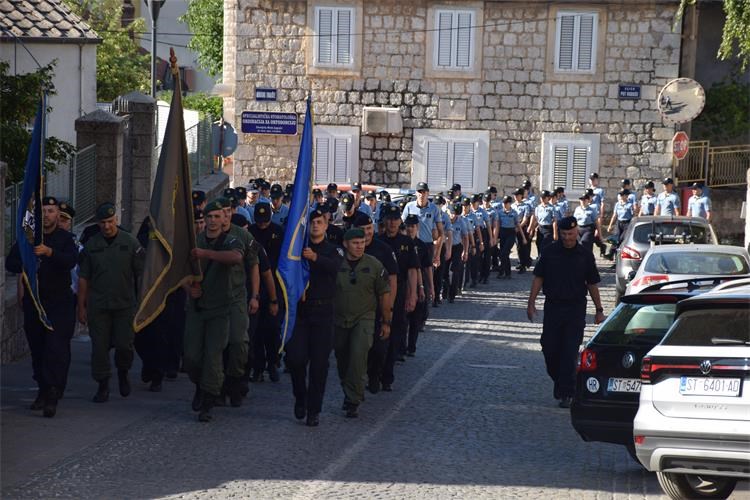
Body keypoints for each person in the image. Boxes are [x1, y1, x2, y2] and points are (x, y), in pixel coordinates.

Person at [6, 196, 78, 417]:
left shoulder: (65, 239)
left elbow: (71, 260)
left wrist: (50, 253)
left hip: (59, 304)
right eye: (43, 211)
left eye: (51, 211)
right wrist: (27, 259)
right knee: (38, 350)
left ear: (58, 215)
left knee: (56, 349)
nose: (47, 215)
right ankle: (43, 389)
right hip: (35, 303)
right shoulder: (28, 238)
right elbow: (11, 263)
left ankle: (54, 393)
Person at [527, 216, 605, 408]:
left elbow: (592, 283)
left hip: (575, 309)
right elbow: (538, 277)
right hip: (553, 307)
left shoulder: (585, 255)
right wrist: (531, 302)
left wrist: (599, 309)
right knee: (549, 349)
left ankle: (567, 393)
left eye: (571, 234)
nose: (568, 238)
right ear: (559, 233)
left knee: (569, 352)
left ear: (577, 231)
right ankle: (561, 382)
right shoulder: (550, 252)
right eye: (564, 234)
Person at [184, 200, 244, 422]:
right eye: (210, 217)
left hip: (221, 308)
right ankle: (200, 385)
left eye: (218, 217)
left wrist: (206, 254)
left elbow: (236, 257)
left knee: (213, 356)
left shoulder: (231, 240)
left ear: (224, 218)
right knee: (191, 357)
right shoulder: (194, 242)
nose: (213, 221)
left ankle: (208, 400)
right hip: (197, 308)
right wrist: (189, 288)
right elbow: (181, 269)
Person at [78, 202, 144, 403]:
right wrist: (81, 306)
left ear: (116, 219)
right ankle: (103, 384)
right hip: (98, 306)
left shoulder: (130, 243)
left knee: (125, 345)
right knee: (99, 347)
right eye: (102, 223)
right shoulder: (92, 245)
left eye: (110, 221)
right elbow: (83, 278)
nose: (106, 226)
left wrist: (142, 302)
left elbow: (141, 274)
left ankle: (123, 373)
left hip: (124, 305)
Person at [284, 208, 343, 427]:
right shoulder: (297, 249)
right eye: (312, 223)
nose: (315, 226)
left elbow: (337, 268)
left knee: (319, 365)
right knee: (295, 359)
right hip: (301, 312)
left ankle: (313, 410)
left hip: (324, 312)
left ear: (326, 225)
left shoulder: (332, 250)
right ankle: (300, 395)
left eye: (319, 222)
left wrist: (315, 258)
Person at [334, 228, 391, 418]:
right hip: (339, 318)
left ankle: (353, 400)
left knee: (358, 357)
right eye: (355, 243)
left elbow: (384, 294)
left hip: (364, 317)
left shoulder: (374, 265)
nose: (359, 246)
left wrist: (386, 321)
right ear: (345, 244)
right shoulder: (336, 263)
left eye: (362, 242)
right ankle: (349, 390)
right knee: (342, 359)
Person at [217, 197, 259, 407]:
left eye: (226, 211)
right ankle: (216, 388)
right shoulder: (207, 235)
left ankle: (235, 382)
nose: (223, 216)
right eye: (218, 213)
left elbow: (254, 266)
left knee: (238, 344)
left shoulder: (242, 235)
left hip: (236, 298)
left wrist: (255, 296)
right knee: (216, 347)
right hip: (213, 300)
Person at [375, 205, 419, 387]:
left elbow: (412, 271)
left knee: (395, 333)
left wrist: (413, 294)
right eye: (389, 219)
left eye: (395, 219)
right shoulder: (377, 242)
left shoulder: (407, 242)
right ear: (384, 221)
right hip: (378, 291)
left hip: (399, 291)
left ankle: (387, 375)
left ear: (400, 221)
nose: (392, 222)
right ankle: (374, 371)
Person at [496, 195, 527, 279]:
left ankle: (504, 271)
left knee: (504, 253)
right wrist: (495, 237)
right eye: (504, 203)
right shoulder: (500, 212)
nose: (505, 205)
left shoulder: (514, 213)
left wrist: (523, 237)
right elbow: (498, 225)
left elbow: (518, 225)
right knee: (504, 254)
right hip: (503, 234)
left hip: (511, 234)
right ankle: (506, 273)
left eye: (506, 203)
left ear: (510, 203)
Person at [446, 202, 469, 302]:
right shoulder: (444, 220)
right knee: (444, 271)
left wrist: (465, 251)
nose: (453, 215)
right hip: (446, 247)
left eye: (456, 214)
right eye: (452, 213)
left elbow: (465, 237)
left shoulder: (461, 222)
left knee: (454, 271)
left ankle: (452, 294)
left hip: (456, 247)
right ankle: (444, 291)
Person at [529, 190, 559, 255]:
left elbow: (554, 221)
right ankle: (540, 257)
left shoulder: (551, 208)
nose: (542, 199)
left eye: (544, 197)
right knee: (538, 243)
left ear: (548, 198)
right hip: (540, 228)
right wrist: (532, 230)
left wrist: (555, 233)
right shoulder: (538, 208)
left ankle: (545, 259)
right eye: (541, 197)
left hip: (548, 229)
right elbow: (536, 220)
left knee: (546, 244)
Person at [512, 188, 533, 272]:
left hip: (522, 227)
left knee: (523, 246)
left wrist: (519, 227)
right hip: (513, 227)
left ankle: (523, 264)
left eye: (517, 195)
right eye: (515, 195)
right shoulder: (512, 206)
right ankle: (521, 262)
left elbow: (525, 218)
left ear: (521, 196)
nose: (516, 197)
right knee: (517, 246)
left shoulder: (525, 206)